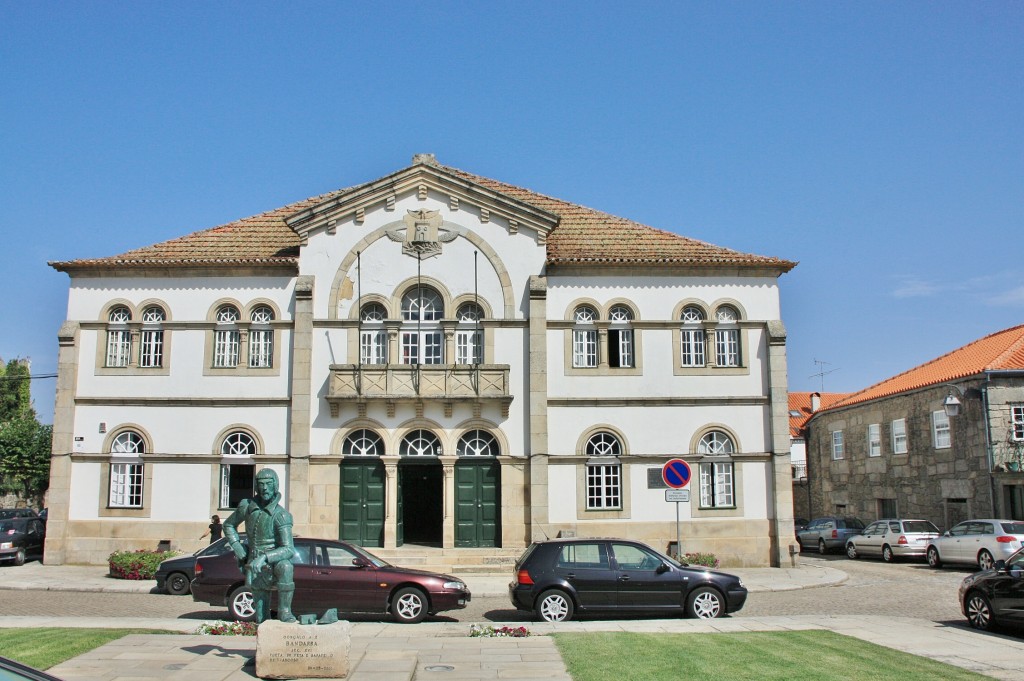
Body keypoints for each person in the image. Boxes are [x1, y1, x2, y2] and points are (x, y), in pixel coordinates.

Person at [222, 469, 296, 623]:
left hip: (273, 563)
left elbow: (289, 549)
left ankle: (285, 611)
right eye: (261, 484)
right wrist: (237, 546)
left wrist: (264, 557)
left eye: (269, 484)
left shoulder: (281, 515)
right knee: (261, 617)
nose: (264, 488)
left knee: (286, 567)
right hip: (253, 562)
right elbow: (228, 525)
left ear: (275, 486)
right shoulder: (246, 507)